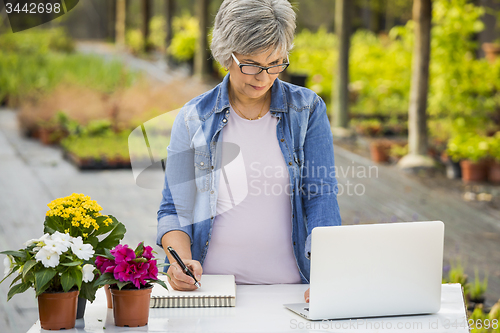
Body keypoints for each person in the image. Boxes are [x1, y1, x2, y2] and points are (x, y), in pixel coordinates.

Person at [156, 0, 341, 303]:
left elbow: (321, 197)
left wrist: (330, 272)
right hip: (211, 291)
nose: (264, 77)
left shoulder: (307, 110)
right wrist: (181, 262)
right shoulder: (194, 118)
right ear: (225, 54)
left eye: (276, 64)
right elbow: (174, 209)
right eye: (252, 65)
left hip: (292, 291)